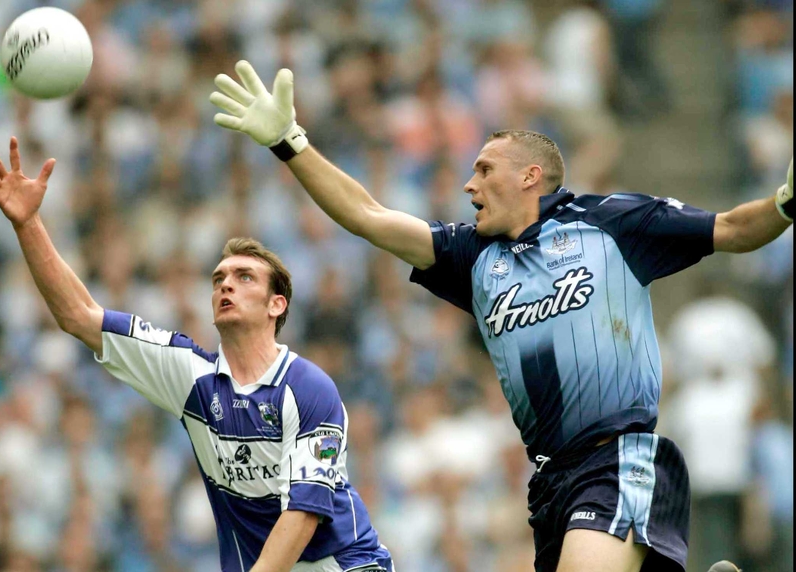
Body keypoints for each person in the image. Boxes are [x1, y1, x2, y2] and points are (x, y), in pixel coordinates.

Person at [208, 62, 794, 572]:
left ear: (529, 176)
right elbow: (366, 215)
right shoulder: (472, 257)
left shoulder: (611, 223)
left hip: (618, 459)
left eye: (485, 170)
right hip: (551, 484)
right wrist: (289, 141)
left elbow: (734, 228)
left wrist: (785, 202)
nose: (470, 184)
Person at [0, 137, 394, 572]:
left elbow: (302, 515)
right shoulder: (192, 376)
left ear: (276, 305)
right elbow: (78, 315)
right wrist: (27, 223)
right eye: (219, 278)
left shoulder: (309, 388)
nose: (226, 285)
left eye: (245, 277)